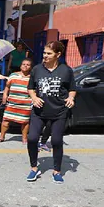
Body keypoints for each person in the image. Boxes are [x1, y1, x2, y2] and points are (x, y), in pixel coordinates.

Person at [26, 41, 77, 184]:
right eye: (44, 53)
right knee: (32, 138)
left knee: (56, 140)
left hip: (59, 111)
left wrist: (71, 98)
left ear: (58, 55)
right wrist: (34, 97)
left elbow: (72, 89)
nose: (45, 56)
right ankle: (34, 168)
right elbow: (30, 88)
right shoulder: (37, 69)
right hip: (39, 111)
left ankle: (57, 171)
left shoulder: (66, 70)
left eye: (49, 53)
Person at [0, 58, 34, 145]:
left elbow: (34, 90)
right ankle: (1, 137)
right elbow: (7, 87)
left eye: (28, 65)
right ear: (20, 66)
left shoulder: (32, 77)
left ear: (31, 67)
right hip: (12, 103)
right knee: (6, 120)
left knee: (24, 122)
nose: (25, 66)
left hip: (25, 104)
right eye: (23, 64)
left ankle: (24, 139)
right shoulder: (13, 75)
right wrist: (5, 95)